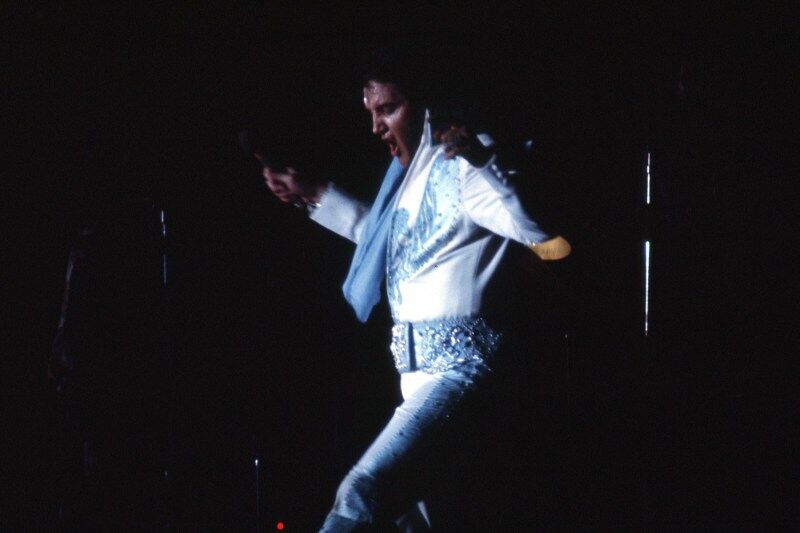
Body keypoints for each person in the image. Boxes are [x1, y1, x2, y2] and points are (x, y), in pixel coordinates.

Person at [260, 49, 552, 531]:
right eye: (371, 113)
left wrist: (485, 162)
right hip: (414, 380)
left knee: (361, 494)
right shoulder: (406, 181)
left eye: (388, 109)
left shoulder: (463, 163)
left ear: (425, 104)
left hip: (463, 375)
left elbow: (537, 230)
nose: (376, 126)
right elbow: (379, 238)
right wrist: (311, 193)